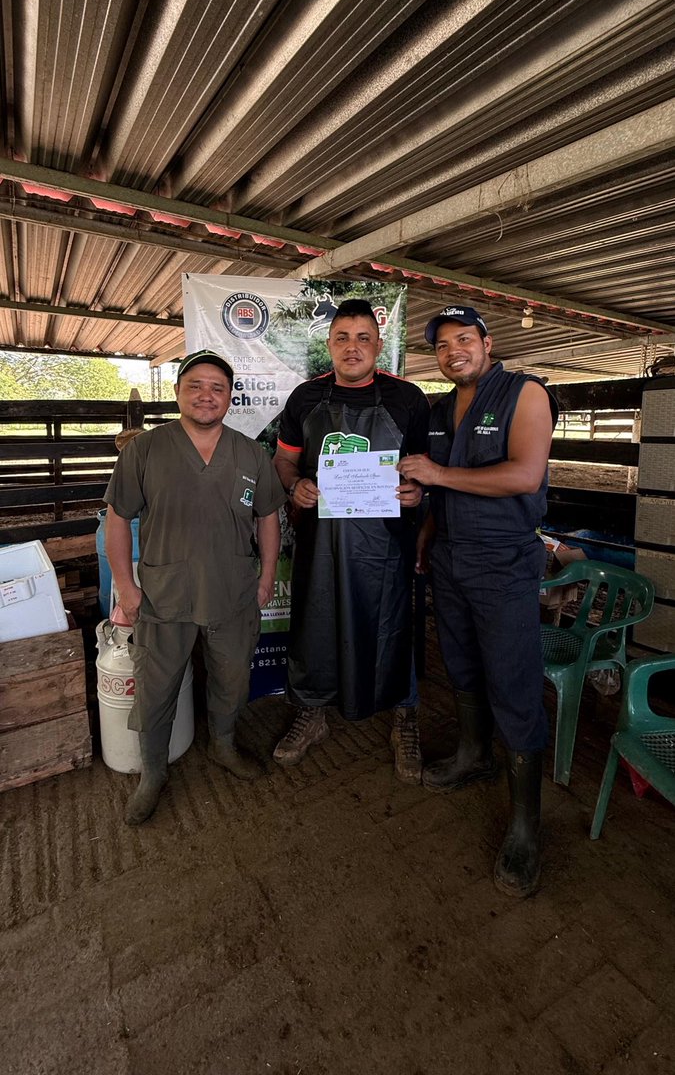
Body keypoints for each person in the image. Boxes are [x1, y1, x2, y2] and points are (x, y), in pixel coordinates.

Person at [398, 306, 558, 898]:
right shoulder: (441, 411)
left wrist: (436, 474)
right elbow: (439, 491)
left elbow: (523, 475)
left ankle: (525, 825)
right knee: (460, 664)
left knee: (513, 682)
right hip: (450, 558)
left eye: (464, 339)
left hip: (503, 562)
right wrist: (425, 533)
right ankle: (473, 754)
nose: (453, 351)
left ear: (487, 344)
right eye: (442, 346)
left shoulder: (525, 394)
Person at [104, 349, 286, 825]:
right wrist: (126, 588)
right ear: (180, 393)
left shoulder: (250, 453)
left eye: (218, 388)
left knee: (232, 678)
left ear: (229, 397)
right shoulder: (146, 449)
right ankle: (153, 773)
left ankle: (223, 746)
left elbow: (268, 517)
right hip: (164, 595)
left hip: (233, 592)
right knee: (155, 687)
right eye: (195, 386)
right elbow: (118, 520)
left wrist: (266, 577)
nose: (207, 395)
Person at [272, 299, 430, 781]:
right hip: (320, 539)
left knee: (392, 622)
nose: (352, 347)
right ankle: (312, 711)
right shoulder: (304, 398)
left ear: (379, 346)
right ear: (329, 345)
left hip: (386, 541)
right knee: (315, 620)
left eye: (363, 337)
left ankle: (403, 713)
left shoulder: (409, 399)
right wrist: (293, 486)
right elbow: (284, 462)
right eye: (343, 337)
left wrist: (416, 491)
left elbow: (423, 468)